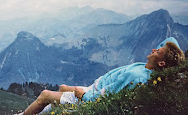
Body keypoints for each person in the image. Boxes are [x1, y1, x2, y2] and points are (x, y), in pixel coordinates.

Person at [20, 37, 185, 115]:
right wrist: (172, 54)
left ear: (162, 63)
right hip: (92, 89)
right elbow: (170, 40)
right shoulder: (147, 68)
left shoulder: (136, 75)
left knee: (44, 95)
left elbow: (105, 96)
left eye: (159, 50)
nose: (155, 49)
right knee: (62, 89)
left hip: (89, 96)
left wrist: (81, 93)